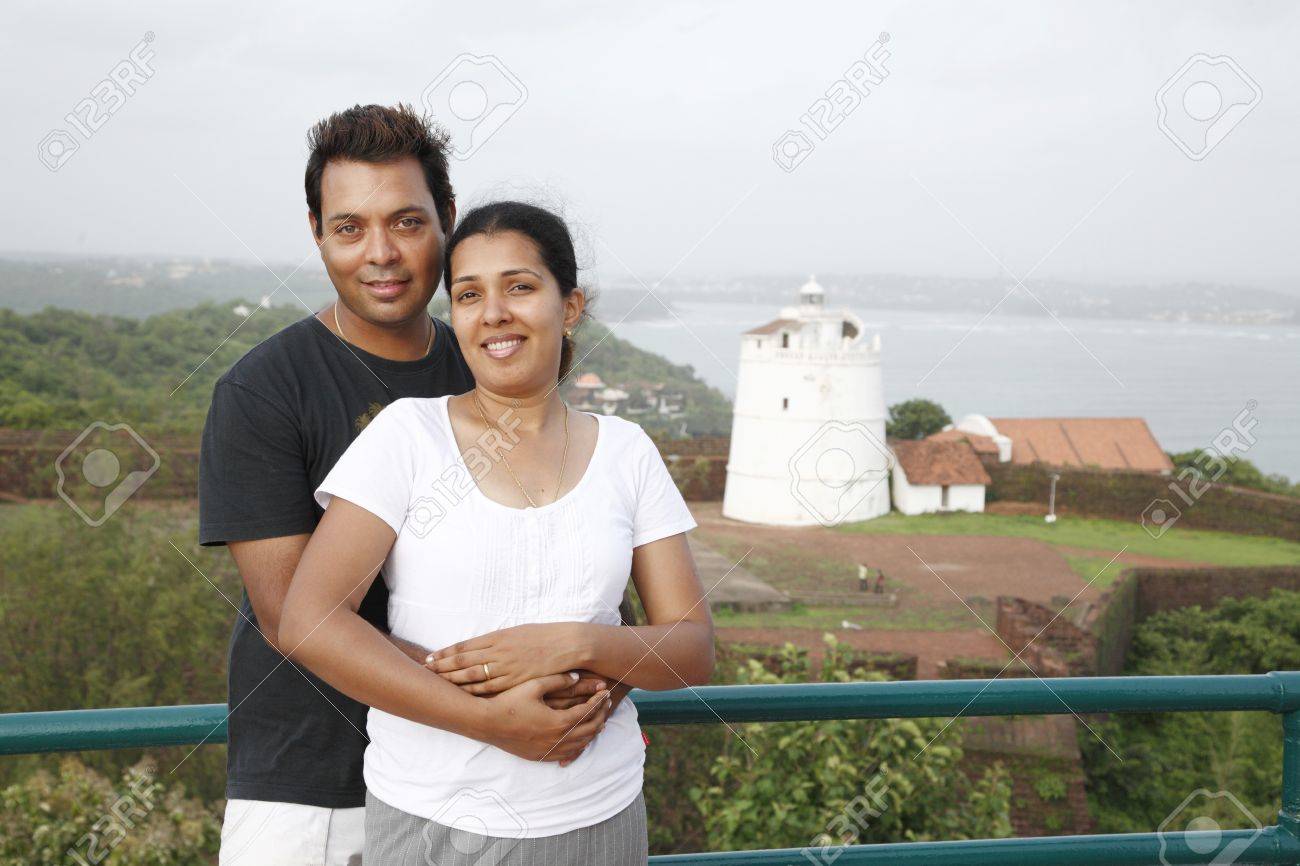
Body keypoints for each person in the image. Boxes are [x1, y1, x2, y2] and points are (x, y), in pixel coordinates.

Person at [198, 106, 612, 865]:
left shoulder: (497, 364)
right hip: (315, 794)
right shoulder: (262, 390)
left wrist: (579, 691)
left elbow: (586, 565)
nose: (380, 254)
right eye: (350, 227)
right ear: (317, 233)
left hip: (500, 790)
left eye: (408, 223)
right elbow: (299, 617)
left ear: (449, 221)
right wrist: (498, 707)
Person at [280, 200, 715, 864]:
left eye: (520, 286)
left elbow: (691, 648)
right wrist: (490, 722)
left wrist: (572, 642)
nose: (494, 313)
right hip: (433, 822)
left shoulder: (627, 452)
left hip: (599, 816)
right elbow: (309, 622)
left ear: (570, 305)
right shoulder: (407, 436)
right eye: (469, 295)